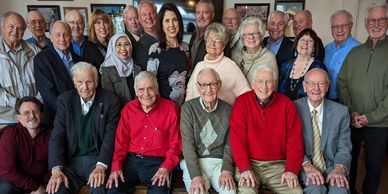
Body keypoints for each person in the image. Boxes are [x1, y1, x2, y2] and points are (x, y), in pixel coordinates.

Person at [46, 62, 120, 194]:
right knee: (57, 189)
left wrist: (101, 166)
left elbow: (111, 136)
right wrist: (56, 169)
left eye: (89, 82)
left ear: (96, 82)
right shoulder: (64, 101)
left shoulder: (110, 101)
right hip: (71, 163)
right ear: (74, 83)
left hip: (97, 160)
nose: (84, 87)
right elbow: (58, 136)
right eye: (80, 82)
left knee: (99, 189)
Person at [337, 2, 388, 194]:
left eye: (381, 19)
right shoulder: (354, 53)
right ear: (366, 24)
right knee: (347, 163)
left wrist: (371, 117)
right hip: (352, 121)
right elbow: (342, 82)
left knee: (374, 168)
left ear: (387, 21)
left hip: (380, 124)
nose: (376, 24)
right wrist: (350, 112)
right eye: (372, 20)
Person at [230, 64, 304, 194]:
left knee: (296, 192)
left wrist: (291, 169)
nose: (264, 87)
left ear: (274, 84)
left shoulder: (287, 105)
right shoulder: (242, 102)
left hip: (278, 167)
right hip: (249, 165)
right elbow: (237, 140)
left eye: (268, 82)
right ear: (253, 83)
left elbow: (295, 141)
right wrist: (244, 167)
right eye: (260, 81)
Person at [106, 71, 181, 194]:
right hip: (131, 161)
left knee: (159, 192)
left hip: (157, 162)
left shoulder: (170, 108)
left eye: (150, 89)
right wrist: (116, 166)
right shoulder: (128, 109)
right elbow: (121, 142)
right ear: (136, 91)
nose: (146, 94)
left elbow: (176, 144)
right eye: (141, 89)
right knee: (113, 189)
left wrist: (166, 167)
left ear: (156, 89)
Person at [295, 69, 351, 194]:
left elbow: (344, 147)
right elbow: (289, 144)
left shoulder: (341, 111)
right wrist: (306, 165)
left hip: (332, 165)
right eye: (311, 83)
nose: (316, 88)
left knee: (340, 189)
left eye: (321, 83)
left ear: (327, 86)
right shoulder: (293, 109)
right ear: (304, 86)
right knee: (315, 188)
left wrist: (339, 168)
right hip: (304, 165)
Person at [180, 68, 236, 194]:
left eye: (213, 84)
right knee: (197, 191)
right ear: (198, 87)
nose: (209, 90)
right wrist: (195, 175)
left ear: (219, 85)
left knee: (230, 192)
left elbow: (230, 143)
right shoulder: (188, 109)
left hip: (219, 164)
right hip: (195, 163)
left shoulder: (229, 110)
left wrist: (227, 169)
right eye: (204, 85)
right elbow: (187, 144)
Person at [186, 23, 250, 105]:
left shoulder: (231, 66)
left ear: (223, 45)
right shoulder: (199, 65)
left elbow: (246, 95)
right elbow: (190, 92)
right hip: (196, 115)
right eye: (209, 39)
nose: (212, 44)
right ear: (205, 43)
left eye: (217, 41)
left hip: (221, 116)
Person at [34, 21, 82, 126]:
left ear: (71, 37)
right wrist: (69, 112)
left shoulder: (78, 59)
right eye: (58, 35)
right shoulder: (42, 59)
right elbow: (48, 93)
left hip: (80, 115)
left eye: (65, 35)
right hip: (58, 118)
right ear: (51, 37)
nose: (62, 39)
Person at [0, 96, 51, 194]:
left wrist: (44, 187)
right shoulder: (10, 136)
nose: (32, 116)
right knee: (4, 188)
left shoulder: (51, 134)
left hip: (42, 184)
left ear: (42, 114)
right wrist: (36, 187)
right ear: (19, 118)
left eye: (36, 111)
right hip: (16, 184)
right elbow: (7, 171)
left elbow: (55, 164)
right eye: (26, 113)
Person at [0, 11, 41, 126]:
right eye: (11, 27)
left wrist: (34, 105)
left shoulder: (35, 51)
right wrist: (19, 104)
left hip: (34, 116)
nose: (15, 31)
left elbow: (44, 81)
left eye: (20, 28)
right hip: (6, 118)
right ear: (2, 27)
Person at [146, 3, 190, 106]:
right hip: (163, 109)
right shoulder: (155, 49)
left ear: (179, 22)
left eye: (174, 20)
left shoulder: (185, 48)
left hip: (183, 108)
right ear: (161, 25)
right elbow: (151, 83)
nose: (171, 25)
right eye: (167, 21)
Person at [278, 28, 326, 100]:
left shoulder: (319, 67)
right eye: (302, 39)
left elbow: (321, 94)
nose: (305, 43)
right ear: (296, 43)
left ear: (314, 48)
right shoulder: (285, 66)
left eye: (310, 40)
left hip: (306, 110)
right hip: (284, 109)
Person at [324, 10, 360, 101]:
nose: (339, 30)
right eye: (336, 26)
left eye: (344, 26)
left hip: (347, 102)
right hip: (325, 99)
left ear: (351, 26)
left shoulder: (359, 49)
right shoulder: (326, 49)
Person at [231, 16, 277, 85]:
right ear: (242, 38)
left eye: (255, 33)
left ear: (261, 36)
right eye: (247, 34)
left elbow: (273, 86)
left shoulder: (269, 58)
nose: (251, 37)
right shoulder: (235, 56)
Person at [100, 32, 141, 108]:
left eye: (126, 44)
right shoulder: (107, 71)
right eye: (119, 45)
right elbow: (109, 100)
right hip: (119, 114)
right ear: (113, 48)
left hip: (138, 112)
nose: (123, 48)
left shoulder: (137, 68)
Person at [136, 1, 158, 70]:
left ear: (156, 15)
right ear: (139, 19)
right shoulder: (139, 47)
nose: (148, 17)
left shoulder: (167, 36)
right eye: (144, 14)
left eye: (151, 13)